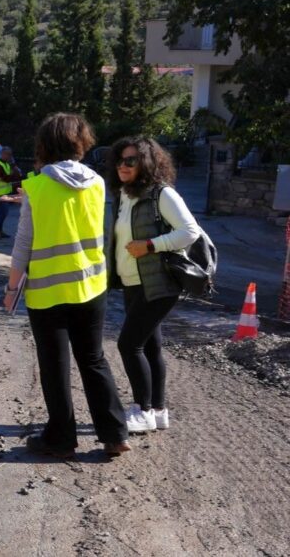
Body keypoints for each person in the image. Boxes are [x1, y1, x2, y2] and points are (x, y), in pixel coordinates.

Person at [5, 113, 131, 458]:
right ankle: (115, 433)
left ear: (45, 144)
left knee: (54, 363)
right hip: (91, 286)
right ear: (80, 142)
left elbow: (23, 243)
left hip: (47, 292)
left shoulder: (36, 186)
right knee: (93, 359)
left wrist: (11, 289)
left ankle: (60, 439)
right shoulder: (97, 182)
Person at [105, 136, 201, 433]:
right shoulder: (123, 195)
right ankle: (158, 411)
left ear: (146, 163)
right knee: (150, 346)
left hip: (159, 282)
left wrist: (150, 245)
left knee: (128, 344)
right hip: (134, 282)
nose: (123, 165)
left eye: (131, 160)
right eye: (120, 159)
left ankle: (142, 410)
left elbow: (190, 231)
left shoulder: (162, 194)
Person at [0, 147, 23, 239]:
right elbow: (6, 179)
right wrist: (14, 174)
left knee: (3, 212)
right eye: (8, 154)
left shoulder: (6, 164)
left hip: (5, 192)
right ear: (2, 154)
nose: (10, 156)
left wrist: (14, 169)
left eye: (10, 154)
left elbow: (15, 176)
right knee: (3, 212)